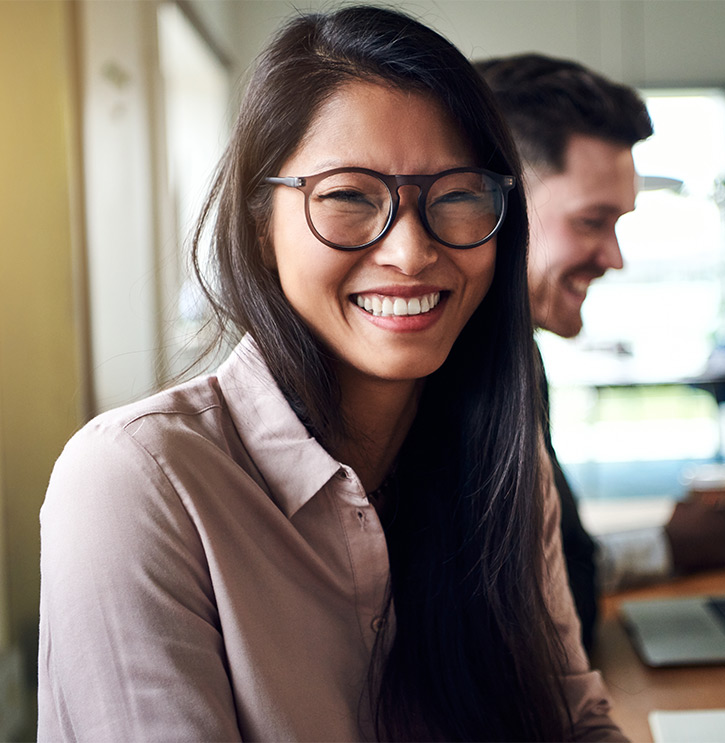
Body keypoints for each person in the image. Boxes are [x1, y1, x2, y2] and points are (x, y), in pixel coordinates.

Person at [38, 9, 625, 741]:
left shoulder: (498, 458)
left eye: (457, 195)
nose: (410, 252)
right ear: (260, 223)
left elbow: (576, 721)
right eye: (348, 196)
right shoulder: (138, 482)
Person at [478, 54, 725, 652]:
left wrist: (663, 548)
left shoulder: (513, 357)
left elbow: (545, 574)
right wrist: (663, 549)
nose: (614, 258)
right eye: (592, 221)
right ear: (486, 203)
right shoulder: (442, 382)